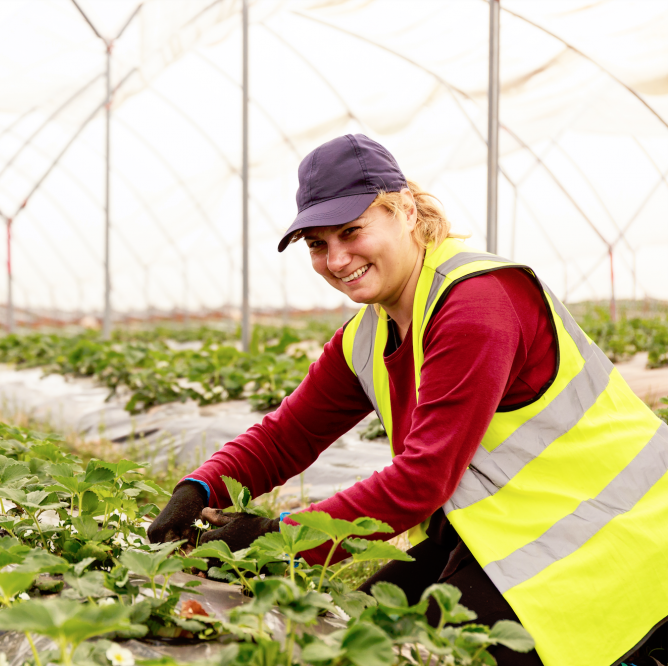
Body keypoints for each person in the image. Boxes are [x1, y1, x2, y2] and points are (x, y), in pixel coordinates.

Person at [147, 134, 668, 666]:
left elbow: (422, 479)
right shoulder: (368, 333)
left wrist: (280, 537)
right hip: (508, 536)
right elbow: (287, 435)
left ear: (406, 210)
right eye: (317, 245)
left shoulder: (476, 303)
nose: (337, 258)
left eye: (352, 231)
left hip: (616, 539)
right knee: (361, 637)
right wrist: (199, 486)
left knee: (412, 655)